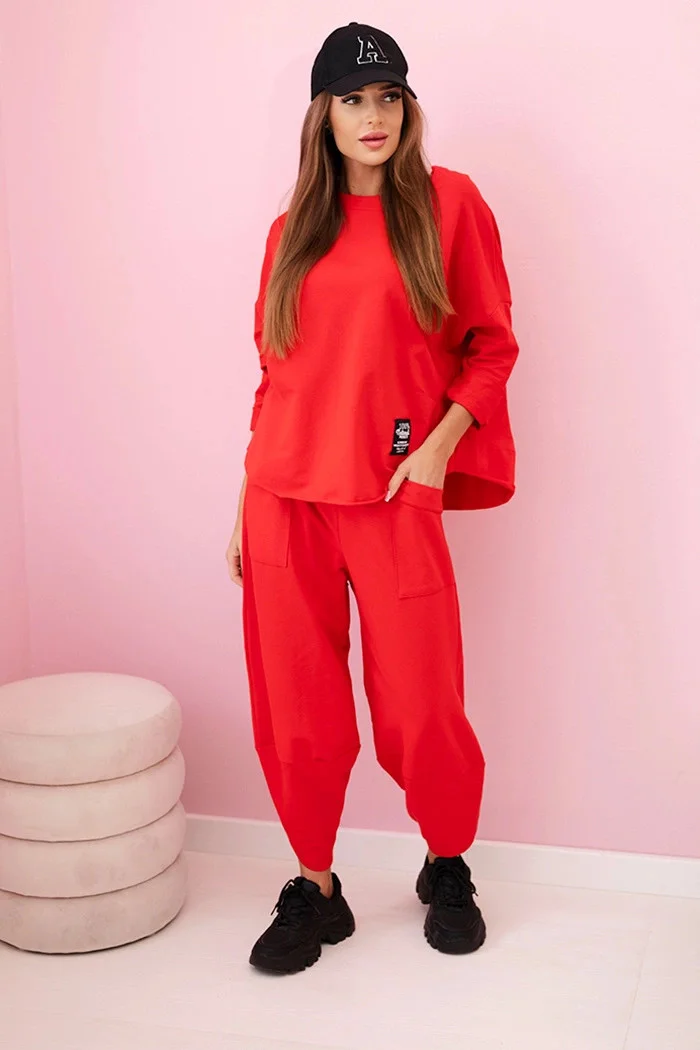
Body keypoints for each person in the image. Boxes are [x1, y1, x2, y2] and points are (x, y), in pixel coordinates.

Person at [225, 21, 519, 975]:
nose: (373, 115)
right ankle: (316, 888)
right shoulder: (290, 234)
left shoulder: (448, 204)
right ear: (324, 114)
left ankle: (446, 862)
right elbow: (276, 377)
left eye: (388, 96)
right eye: (352, 99)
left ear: (407, 105)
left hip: (393, 490)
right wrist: (243, 501)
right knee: (296, 708)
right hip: (283, 496)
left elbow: (492, 346)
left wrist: (436, 450)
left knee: (423, 701)